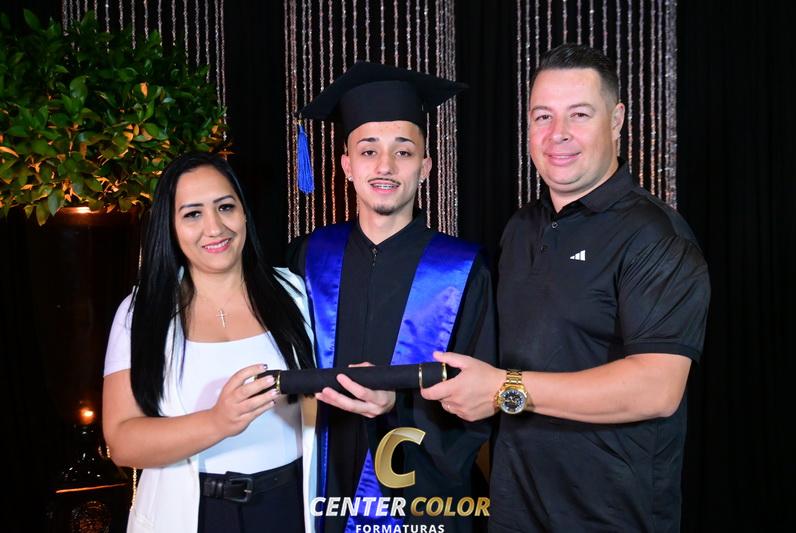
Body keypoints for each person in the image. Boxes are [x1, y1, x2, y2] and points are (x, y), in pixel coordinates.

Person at [421, 44, 711, 532]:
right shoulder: (521, 229)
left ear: (616, 120)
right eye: (543, 116)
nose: (558, 134)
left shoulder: (655, 237)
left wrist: (505, 389)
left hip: (611, 518)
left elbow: (657, 388)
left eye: (579, 114)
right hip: (514, 512)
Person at [289, 61, 496, 532]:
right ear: (346, 165)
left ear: (425, 167)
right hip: (320, 484)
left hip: (419, 501)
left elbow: (478, 406)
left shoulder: (463, 271)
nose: (385, 166)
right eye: (368, 150)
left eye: (403, 151)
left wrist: (395, 410)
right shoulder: (309, 257)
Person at [102, 152, 317, 533]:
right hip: (192, 514)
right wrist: (217, 422)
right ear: (170, 227)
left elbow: (320, 402)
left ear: (244, 213)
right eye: (193, 214)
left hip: (289, 507)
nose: (215, 227)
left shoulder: (295, 293)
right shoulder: (141, 312)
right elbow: (122, 442)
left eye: (225, 207)